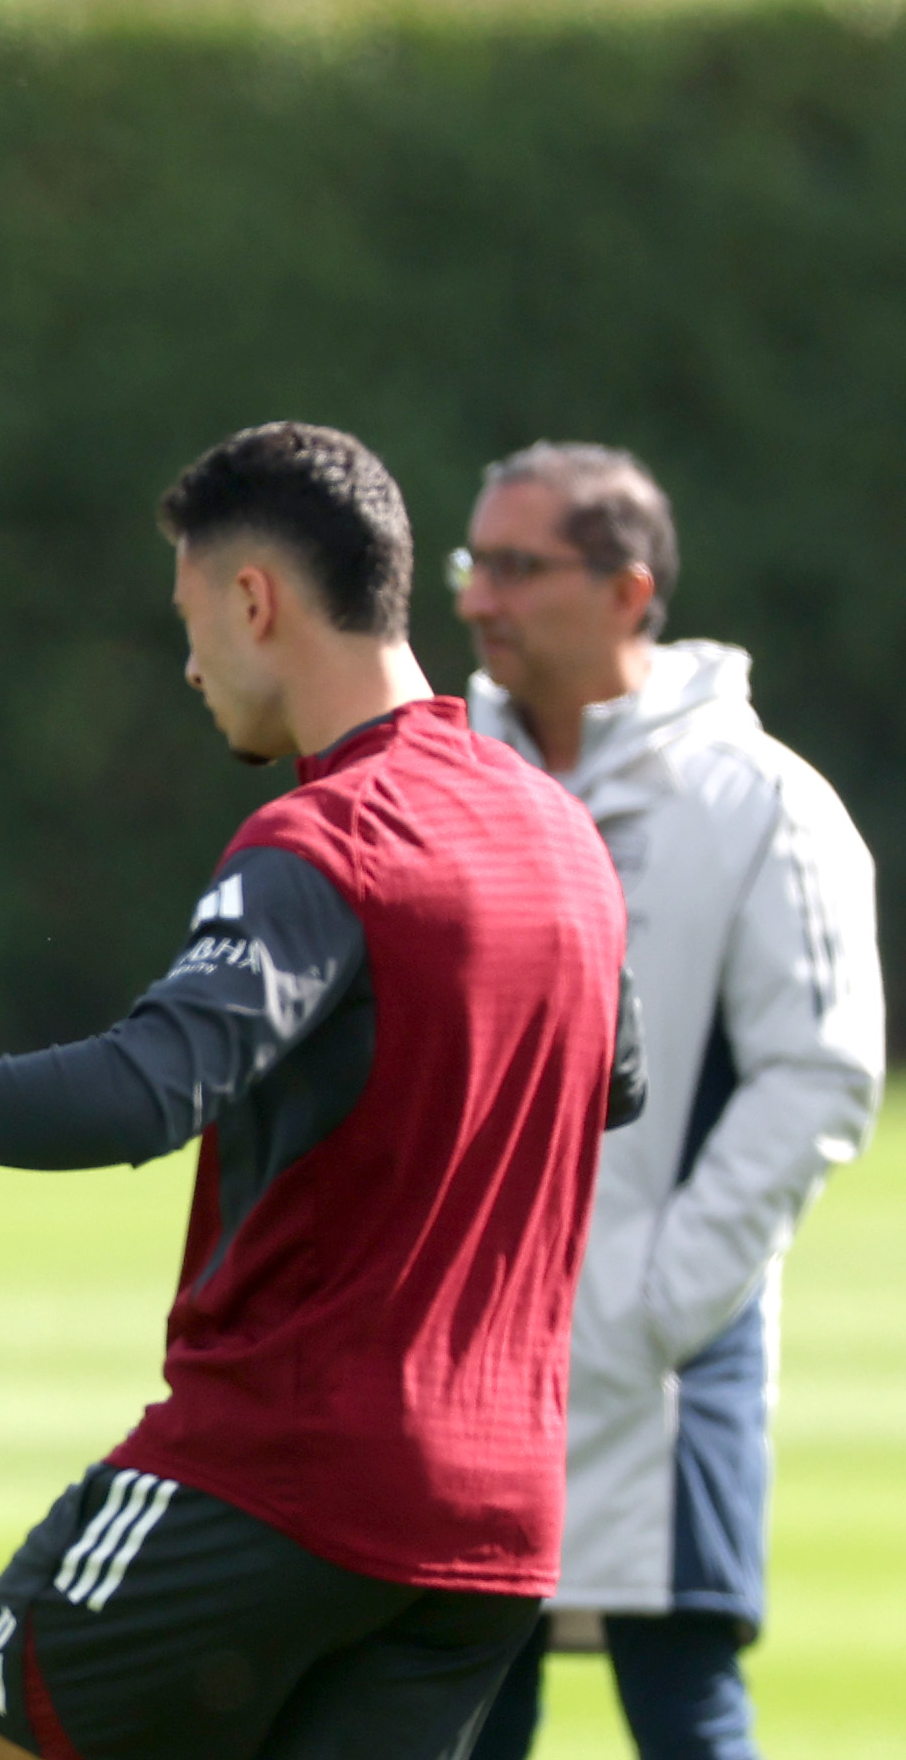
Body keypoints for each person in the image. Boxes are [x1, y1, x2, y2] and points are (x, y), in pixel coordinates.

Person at [0, 422, 647, 1760]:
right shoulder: (558, 831)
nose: (190, 665)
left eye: (193, 620)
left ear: (255, 600)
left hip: (281, 1481)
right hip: (496, 1530)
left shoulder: (330, 840)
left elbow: (141, 1093)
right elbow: (616, 1081)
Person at [449, 444, 883, 1760]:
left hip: (676, 1349)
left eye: (519, 569)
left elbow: (821, 1072)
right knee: (456, 1705)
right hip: (459, 1350)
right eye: (475, 567)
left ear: (630, 591)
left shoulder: (762, 802)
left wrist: (649, 1303)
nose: (478, 602)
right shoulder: (444, 776)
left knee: (684, 1703)